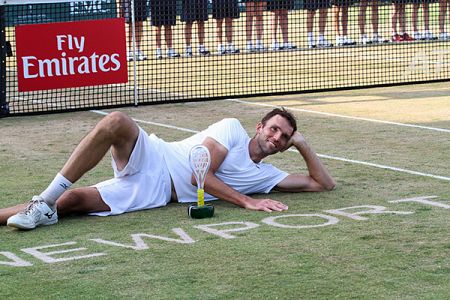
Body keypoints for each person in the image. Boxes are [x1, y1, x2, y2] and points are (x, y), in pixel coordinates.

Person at [2, 108, 335, 230]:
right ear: (259, 126)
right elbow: (198, 174)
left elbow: (322, 185)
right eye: (274, 129)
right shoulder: (232, 128)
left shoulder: (267, 176)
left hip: (156, 193)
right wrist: (247, 202)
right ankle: (45, 199)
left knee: (73, 201)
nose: (277, 137)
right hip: (156, 156)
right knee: (117, 121)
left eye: (285, 137)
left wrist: (303, 145)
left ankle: (41, 208)